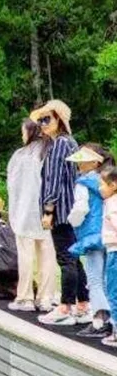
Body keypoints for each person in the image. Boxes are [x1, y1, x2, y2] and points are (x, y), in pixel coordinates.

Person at [34, 100, 92, 326]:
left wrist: (49, 209)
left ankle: (66, 306)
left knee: (66, 259)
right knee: (74, 258)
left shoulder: (59, 144)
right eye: (40, 120)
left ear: (59, 119)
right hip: (71, 210)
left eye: (46, 119)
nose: (42, 124)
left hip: (61, 210)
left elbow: (54, 180)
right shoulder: (71, 142)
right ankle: (82, 304)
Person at [6, 119, 58, 312]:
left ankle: (25, 297)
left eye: (23, 132)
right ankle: (46, 298)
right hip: (48, 213)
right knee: (47, 255)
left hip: (24, 212)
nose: (22, 136)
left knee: (25, 256)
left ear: (29, 132)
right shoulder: (50, 152)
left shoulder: (20, 155)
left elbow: (13, 185)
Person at [66, 144, 112, 337]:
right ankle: (110, 319)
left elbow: (80, 209)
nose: (79, 164)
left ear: (94, 162)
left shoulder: (83, 183)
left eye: (82, 160)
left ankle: (99, 320)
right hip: (108, 234)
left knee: (94, 279)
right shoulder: (105, 182)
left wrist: (71, 221)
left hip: (91, 235)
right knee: (106, 279)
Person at [99, 165, 117, 347]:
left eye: (102, 184)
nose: (99, 188)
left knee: (113, 291)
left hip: (114, 252)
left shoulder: (112, 204)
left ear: (113, 185)